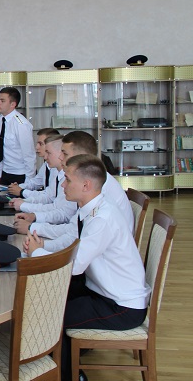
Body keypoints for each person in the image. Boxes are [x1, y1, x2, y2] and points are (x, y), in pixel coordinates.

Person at [24, 155, 148, 381]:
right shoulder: (91, 208)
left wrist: (37, 253)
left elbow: (74, 267)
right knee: (50, 299)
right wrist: (42, 249)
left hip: (121, 306)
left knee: (51, 316)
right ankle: (60, 364)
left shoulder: (101, 218)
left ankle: (68, 375)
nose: (63, 184)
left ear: (86, 185)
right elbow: (71, 245)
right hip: (102, 290)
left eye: (68, 180)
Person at [14, 130, 133, 237]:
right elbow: (72, 224)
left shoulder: (96, 184)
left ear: (80, 157)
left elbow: (74, 230)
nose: (60, 157)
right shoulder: (85, 178)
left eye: (64, 153)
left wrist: (32, 228)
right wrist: (34, 222)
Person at [9, 135, 77, 225]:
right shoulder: (54, 170)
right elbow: (48, 195)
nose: (45, 157)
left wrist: (24, 202)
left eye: (48, 152)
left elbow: (62, 213)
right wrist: (24, 201)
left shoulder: (68, 176)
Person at [0, 87, 35, 185]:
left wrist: (29, 181)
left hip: (20, 173)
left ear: (13, 104)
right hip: (5, 172)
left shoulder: (21, 124)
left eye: (2, 101)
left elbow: (29, 155)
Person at [7, 128, 59, 197]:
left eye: (41, 144)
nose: (37, 147)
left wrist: (22, 192)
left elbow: (49, 196)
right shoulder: (46, 164)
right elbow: (36, 182)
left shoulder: (58, 168)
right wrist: (18, 187)